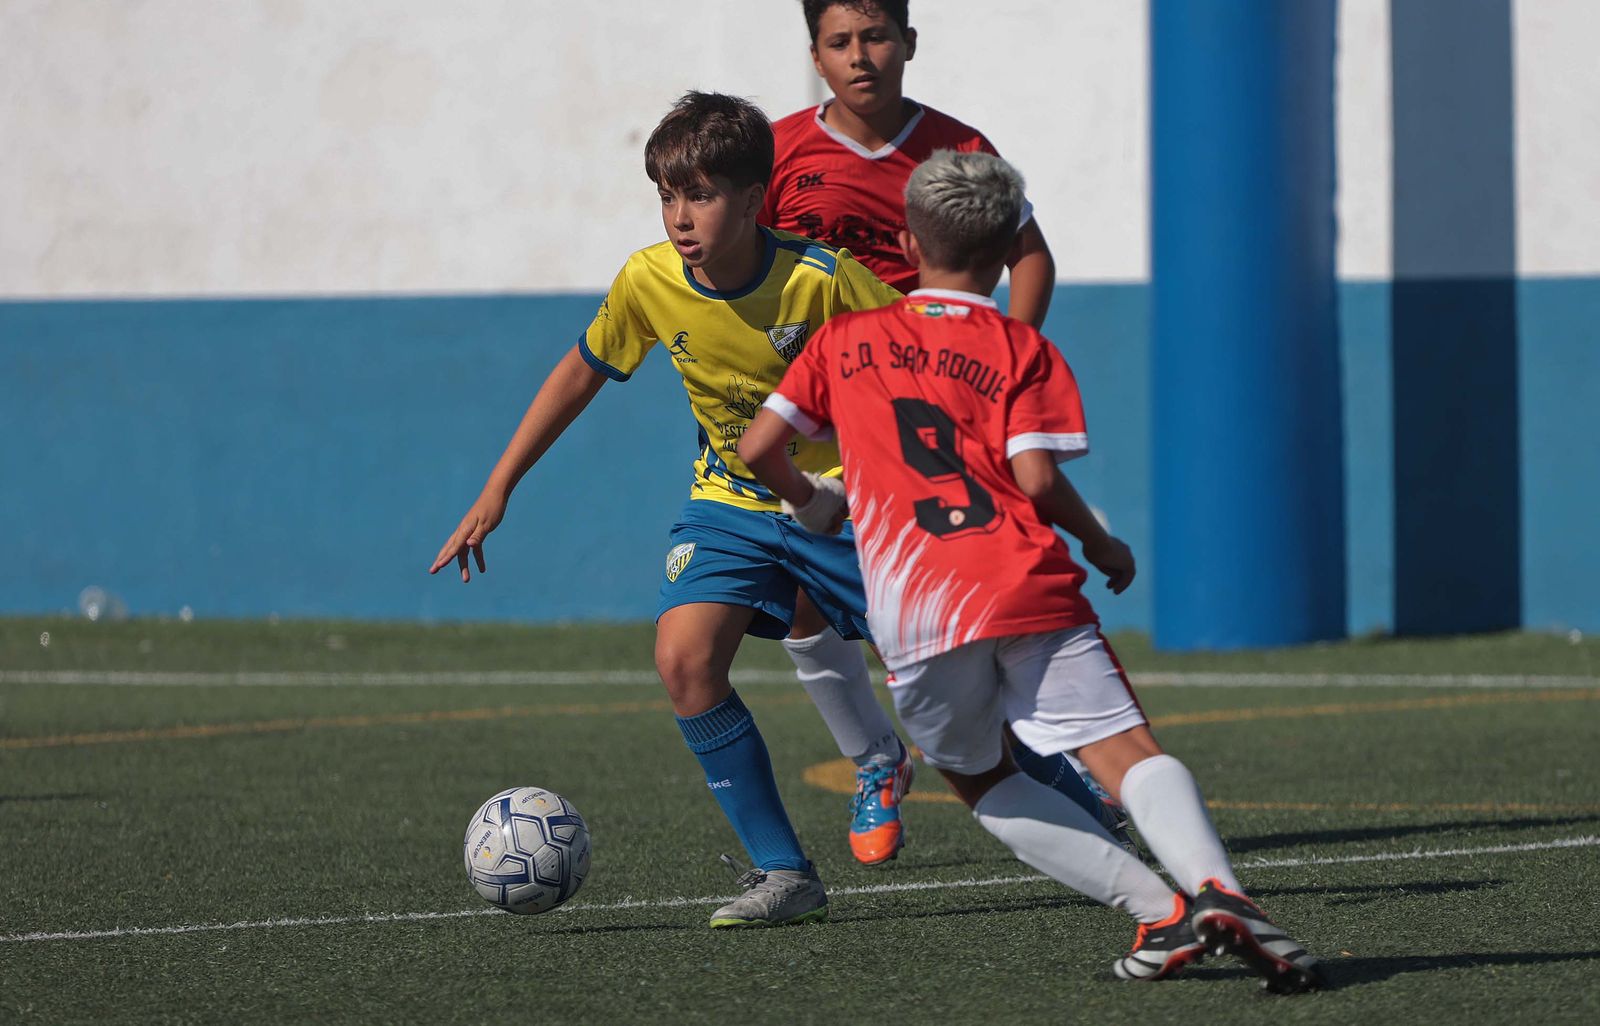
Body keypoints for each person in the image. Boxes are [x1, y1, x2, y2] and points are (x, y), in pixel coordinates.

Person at [738, 150, 1321, 991]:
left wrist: (810, 501)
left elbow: (762, 448)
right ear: (1011, 242)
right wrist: (1102, 545)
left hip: (919, 606)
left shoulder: (845, 338)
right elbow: (1038, 479)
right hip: (1025, 582)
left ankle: (1158, 916)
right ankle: (1218, 890)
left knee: (981, 778)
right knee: (1123, 749)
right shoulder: (1019, 347)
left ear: (906, 240)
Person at [431, 91, 913, 925]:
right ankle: (785, 874)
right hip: (728, 499)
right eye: (666, 195)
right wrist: (499, 485)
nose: (679, 217)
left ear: (755, 196)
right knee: (684, 661)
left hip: (841, 504)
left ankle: (1082, 792)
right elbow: (581, 370)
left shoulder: (823, 281)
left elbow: (922, 358)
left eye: (700, 194)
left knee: (947, 674)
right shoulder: (648, 279)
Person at [763, 0, 1135, 845]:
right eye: (840, 42)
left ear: (910, 43)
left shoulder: (958, 147)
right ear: (816, 55)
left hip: (923, 420)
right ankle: (873, 760)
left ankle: (1065, 764)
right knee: (795, 588)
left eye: (877, 36)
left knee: (956, 603)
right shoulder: (780, 152)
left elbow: (1030, 254)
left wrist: (1005, 361)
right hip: (821, 399)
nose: (861, 57)